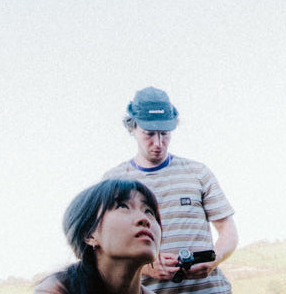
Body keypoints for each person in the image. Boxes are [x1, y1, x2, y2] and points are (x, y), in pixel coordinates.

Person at [101, 88, 237, 294]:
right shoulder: (113, 182)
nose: (158, 143)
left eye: (165, 133)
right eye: (149, 133)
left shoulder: (198, 172)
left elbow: (228, 231)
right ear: (132, 128)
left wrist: (214, 259)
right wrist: (146, 267)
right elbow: (102, 248)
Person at [35, 179, 162, 294]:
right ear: (89, 234)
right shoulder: (57, 289)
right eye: (123, 206)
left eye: (149, 211)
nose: (144, 219)